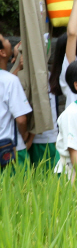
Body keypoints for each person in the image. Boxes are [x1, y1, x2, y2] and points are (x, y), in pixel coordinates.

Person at [0, 35, 31, 168]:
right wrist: (24, 135)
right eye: (5, 40)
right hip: (11, 151)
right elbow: (21, 119)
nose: (9, 41)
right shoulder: (10, 81)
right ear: (2, 52)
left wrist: (17, 67)